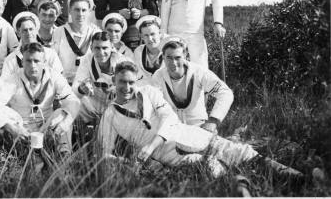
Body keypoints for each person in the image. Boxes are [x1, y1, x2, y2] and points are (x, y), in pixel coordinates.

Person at [98, 61, 302, 178]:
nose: (127, 87)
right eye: (122, 82)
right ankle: (241, 181)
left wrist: (149, 147)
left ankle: (294, 176)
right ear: (114, 81)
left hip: (189, 134)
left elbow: (169, 120)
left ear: (137, 81)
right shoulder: (110, 115)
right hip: (170, 156)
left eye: (131, 82)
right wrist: (128, 163)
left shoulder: (149, 92)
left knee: (240, 152)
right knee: (210, 170)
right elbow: (105, 152)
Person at [0, 42, 80, 157]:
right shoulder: (13, 80)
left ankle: (63, 155)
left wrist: (64, 124)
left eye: (36, 61)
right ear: (22, 62)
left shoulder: (54, 76)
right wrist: (13, 129)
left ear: (44, 62)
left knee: (63, 114)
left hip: (46, 127)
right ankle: (16, 154)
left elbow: (73, 100)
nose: (32, 65)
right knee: (2, 113)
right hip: (22, 130)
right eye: (28, 61)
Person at [151, 37, 233, 132]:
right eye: (169, 57)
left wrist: (213, 120)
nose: (173, 63)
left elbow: (225, 93)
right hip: (172, 128)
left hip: (199, 126)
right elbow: (154, 101)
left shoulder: (199, 72)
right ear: (163, 57)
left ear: (185, 56)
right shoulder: (158, 76)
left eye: (177, 58)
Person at [72, 31, 132, 123]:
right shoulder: (86, 60)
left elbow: (131, 87)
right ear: (91, 48)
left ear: (112, 47)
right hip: (95, 103)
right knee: (75, 105)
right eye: (97, 48)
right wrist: (81, 88)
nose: (101, 52)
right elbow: (76, 87)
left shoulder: (122, 61)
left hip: (117, 103)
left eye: (105, 48)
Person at [52, 0, 101, 84]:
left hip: (89, 86)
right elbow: (53, 61)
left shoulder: (96, 33)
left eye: (84, 10)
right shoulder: (59, 32)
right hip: (64, 85)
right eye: (77, 9)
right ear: (70, 10)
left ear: (90, 12)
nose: (80, 14)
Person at [1, 12, 63, 79]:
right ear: (18, 33)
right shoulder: (10, 59)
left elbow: (58, 78)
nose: (29, 33)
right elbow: (5, 83)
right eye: (25, 30)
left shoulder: (50, 54)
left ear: (36, 30)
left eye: (31, 29)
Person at [133, 15, 165, 84]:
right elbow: (137, 77)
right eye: (146, 35)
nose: (150, 39)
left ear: (160, 33)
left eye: (153, 34)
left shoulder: (168, 50)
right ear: (141, 36)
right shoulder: (138, 51)